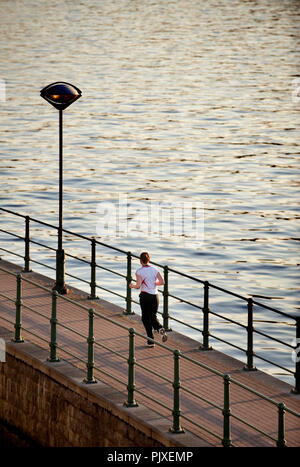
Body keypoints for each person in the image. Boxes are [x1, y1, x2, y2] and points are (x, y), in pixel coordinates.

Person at [129, 252, 167, 347]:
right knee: (153, 316)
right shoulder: (155, 269)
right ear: (149, 260)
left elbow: (138, 286)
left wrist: (132, 285)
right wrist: (154, 283)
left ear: (141, 261)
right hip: (155, 296)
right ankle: (160, 328)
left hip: (145, 296)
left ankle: (151, 341)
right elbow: (162, 282)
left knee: (145, 318)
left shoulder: (139, 271)